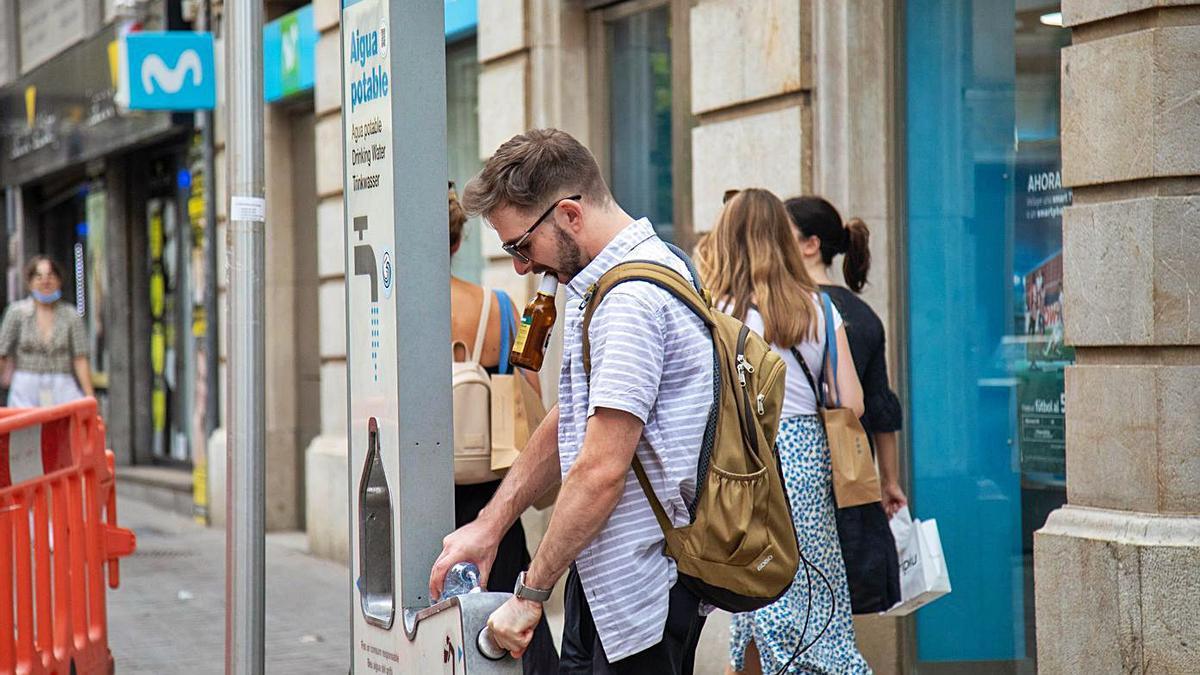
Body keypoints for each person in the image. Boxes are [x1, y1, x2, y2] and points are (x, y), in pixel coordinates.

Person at [429, 128, 713, 674]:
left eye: (520, 245)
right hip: (609, 578)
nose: (519, 266)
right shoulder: (603, 282)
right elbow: (572, 420)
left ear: (569, 215)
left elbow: (600, 469)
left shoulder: (629, 301)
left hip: (642, 591)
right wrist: (491, 526)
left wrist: (530, 595)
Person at [697, 189, 871, 675]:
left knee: (755, 593)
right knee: (814, 595)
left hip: (741, 459)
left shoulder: (717, 311)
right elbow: (851, 402)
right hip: (805, 457)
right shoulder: (817, 308)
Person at [447, 182, 559, 673]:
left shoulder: (394, 314)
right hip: (492, 489)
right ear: (457, 242)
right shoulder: (500, 306)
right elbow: (530, 392)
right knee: (505, 604)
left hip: (426, 491)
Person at [785, 196, 908, 519]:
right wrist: (890, 481)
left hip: (801, 475)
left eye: (782, 235)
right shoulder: (863, 314)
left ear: (810, 245)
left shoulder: (790, 311)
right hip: (855, 473)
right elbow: (881, 405)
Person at [0, 256, 94, 407]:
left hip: (62, 385)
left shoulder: (71, 315)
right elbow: (2, 353)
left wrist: (90, 398)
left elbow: (80, 358)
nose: (45, 281)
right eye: (39, 276)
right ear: (30, 283)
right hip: (26, 386)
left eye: (51, 276)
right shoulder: (16, 313)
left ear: (59, 281)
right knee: (26, 428)